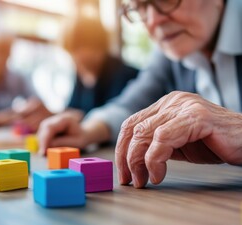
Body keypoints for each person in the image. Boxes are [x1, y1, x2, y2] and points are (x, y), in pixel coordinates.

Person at [38, 0, 242, 188]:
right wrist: (87, 131)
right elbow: (131, 104)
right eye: (140, 7)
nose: (153, 20)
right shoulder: (169, 53)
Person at [62, 16, 138, 119]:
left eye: (78, 49)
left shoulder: (125, 76)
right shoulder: (82, 75)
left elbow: (116, 115)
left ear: (97, 46)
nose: (75, 57)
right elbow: (72, 109)